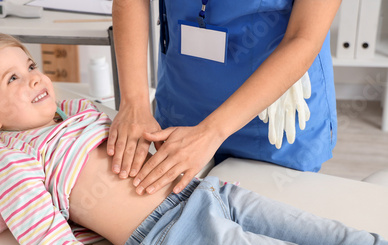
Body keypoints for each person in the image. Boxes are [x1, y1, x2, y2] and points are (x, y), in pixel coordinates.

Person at [0, 34, 388, 245]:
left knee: (340, 240)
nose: (36, 76)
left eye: (30, 64)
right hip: (176, 239)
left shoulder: (74, 110)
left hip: (210, 193)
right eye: (12, 78)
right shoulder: (11, 157)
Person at [110, 0, 341, 196]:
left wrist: (211, 131)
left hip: (271, 115)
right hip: (182, 102)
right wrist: (134, 103)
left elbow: (304, 38)